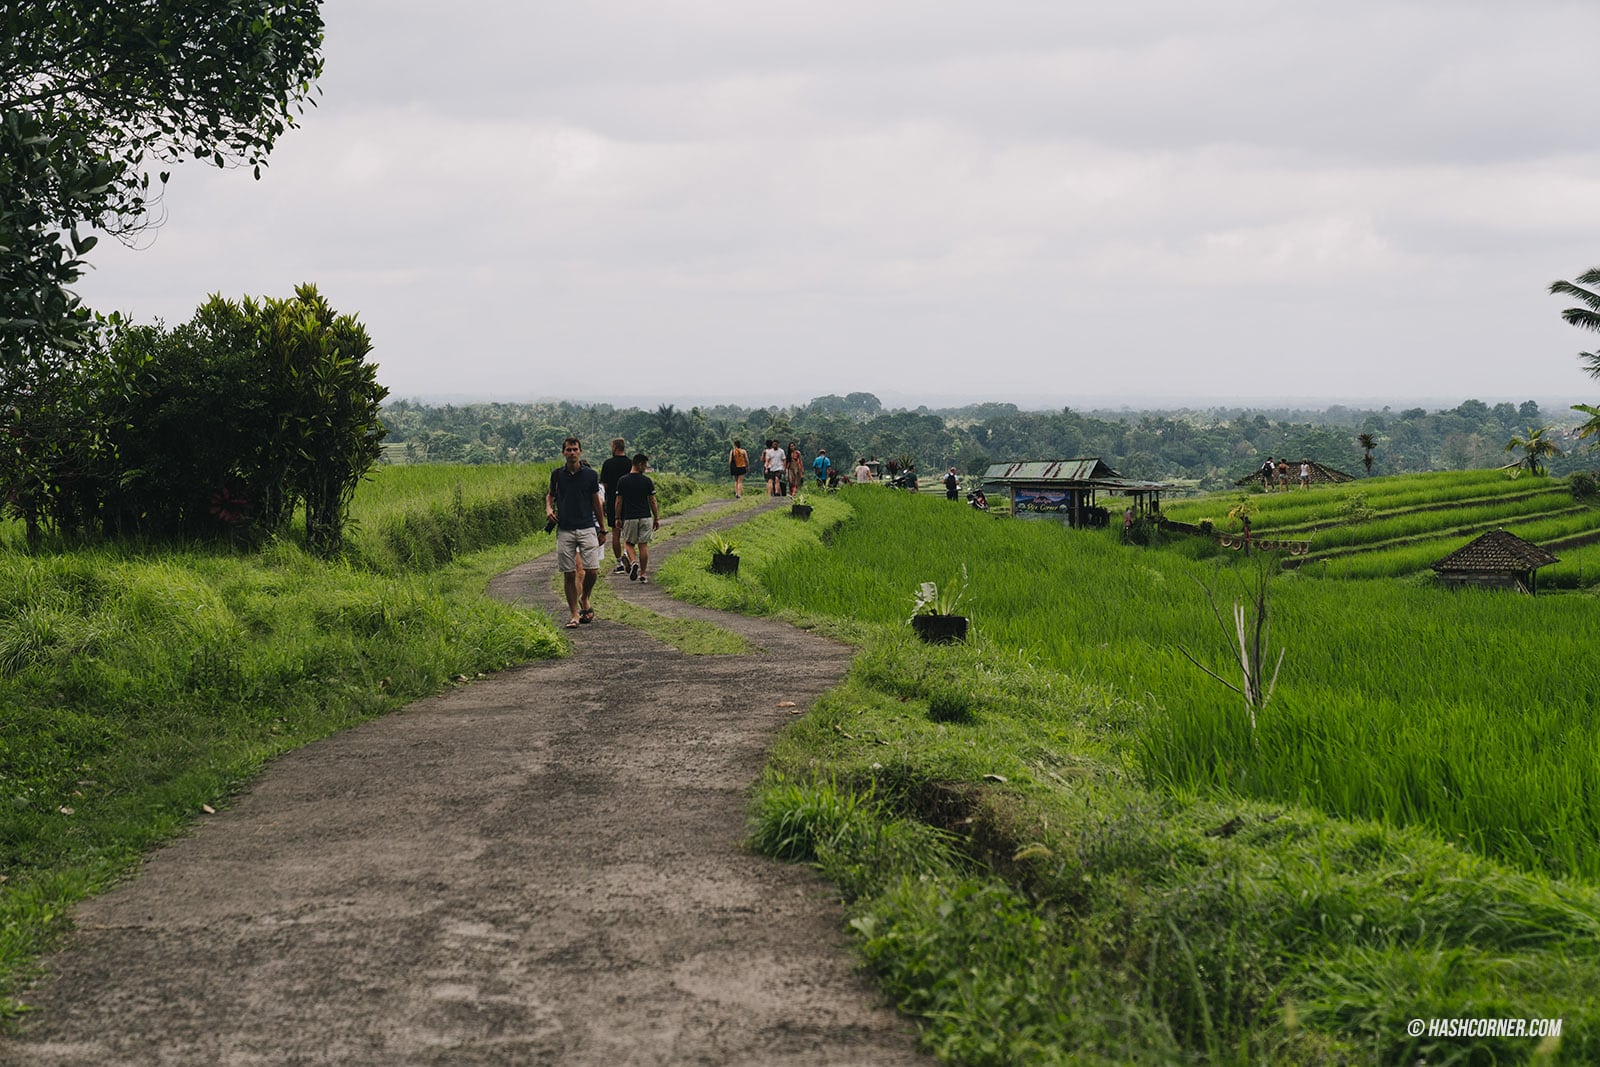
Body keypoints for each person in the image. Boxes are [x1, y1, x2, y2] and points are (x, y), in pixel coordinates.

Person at [545, 437, 606, 629]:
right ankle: (574, 614)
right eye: (568, 450)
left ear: (580, 452)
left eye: (575, 449)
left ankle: (584, 597)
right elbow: (551, 495)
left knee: (592, 570)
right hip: (565, 529)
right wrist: (548, 508)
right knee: (569, 573)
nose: (572, 453)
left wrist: (602, 528)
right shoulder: (557, 475)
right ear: (563, 452)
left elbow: (596, 501)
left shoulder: (590, 475)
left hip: (587, 526)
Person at [615, 452, 660, 583]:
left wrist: (617, 517)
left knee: (628, 543)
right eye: (645, 465)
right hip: (645, 517)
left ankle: (633, 561)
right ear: (639, 464)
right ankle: (643, 574)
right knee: (643, 545)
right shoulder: (646, 481)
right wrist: (656, 518)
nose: (645, 468)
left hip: (629, 517)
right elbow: (652, 501)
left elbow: (618, 502)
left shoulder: (622, 480)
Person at [599, 438, 633, 574]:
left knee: (615, 533)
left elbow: (604, 485)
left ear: (614, 447)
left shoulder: (608, 464)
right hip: (629, 501)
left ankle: (619, 563)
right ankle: (627, 553)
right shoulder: (630, 463)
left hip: (613, 501)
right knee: (628, 532)